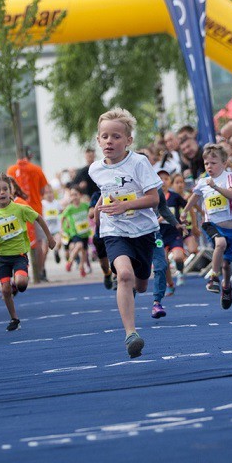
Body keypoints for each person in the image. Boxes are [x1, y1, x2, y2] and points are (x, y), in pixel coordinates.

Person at [90, 107, 161, 359]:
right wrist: (98, 209)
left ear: (128, 140)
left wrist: (126, 205)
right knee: (124, 275)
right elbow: (105, 192)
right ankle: (131, 333)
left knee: (141, 285)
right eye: (105, 136)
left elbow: (154, 198)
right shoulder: (95, 169)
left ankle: (132, 289)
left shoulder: (139, 162)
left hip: (142, 231)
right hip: (114, 231)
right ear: (98, 140)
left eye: (116, 136)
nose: (110, 141)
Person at [0, 173, 55, 331]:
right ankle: (14, 318)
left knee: (21, 284)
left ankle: (18, 283)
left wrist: (49, 238)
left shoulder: (20, 209)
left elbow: (38, 218)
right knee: (5, 289)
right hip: (1, 257)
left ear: (11, 191)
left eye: (5, 189)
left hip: (19, 255)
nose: (2, 192)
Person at [183, 143, 232, 308]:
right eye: (206, 163)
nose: (209, 166)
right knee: (219, 243)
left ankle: (226, 286)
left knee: (227, 264)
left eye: (213, 163)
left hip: (230, 227)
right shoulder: (202, 181)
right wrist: (184, 212)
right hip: (211, 224)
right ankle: (213, 277)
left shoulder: (229, 177)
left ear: (223, 163)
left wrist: (216, 187)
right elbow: (194, 198)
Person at [7, 148, 50, 282]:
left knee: (20, 242)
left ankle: (23, 272)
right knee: (40, 242)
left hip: (16, 211)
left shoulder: (11, 170)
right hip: (35, 209)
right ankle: (40, 270)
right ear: (30, 155)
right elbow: (43, 189)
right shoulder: (37, 169)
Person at [61, 186, 91, 277]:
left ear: (80, 195)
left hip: (85, 231)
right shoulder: (70, 208)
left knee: (84, 252)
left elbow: (91, 211)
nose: (74, 197)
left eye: (75, 194)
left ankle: (82, 267)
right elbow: (63, 217)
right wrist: (63, 228)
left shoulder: (85, 205)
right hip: (75, 232)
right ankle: (70, 262)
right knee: (79, 245)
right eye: (72, 195)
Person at [88, 190, 114, 290]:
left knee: (118, 257)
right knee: (104, 264)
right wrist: (100, 207)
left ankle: (117, 277)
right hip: (100, 234)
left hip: (116, 233)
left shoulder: (120, 191)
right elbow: (90, 214)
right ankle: (107, 274)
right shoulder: (97, 194)